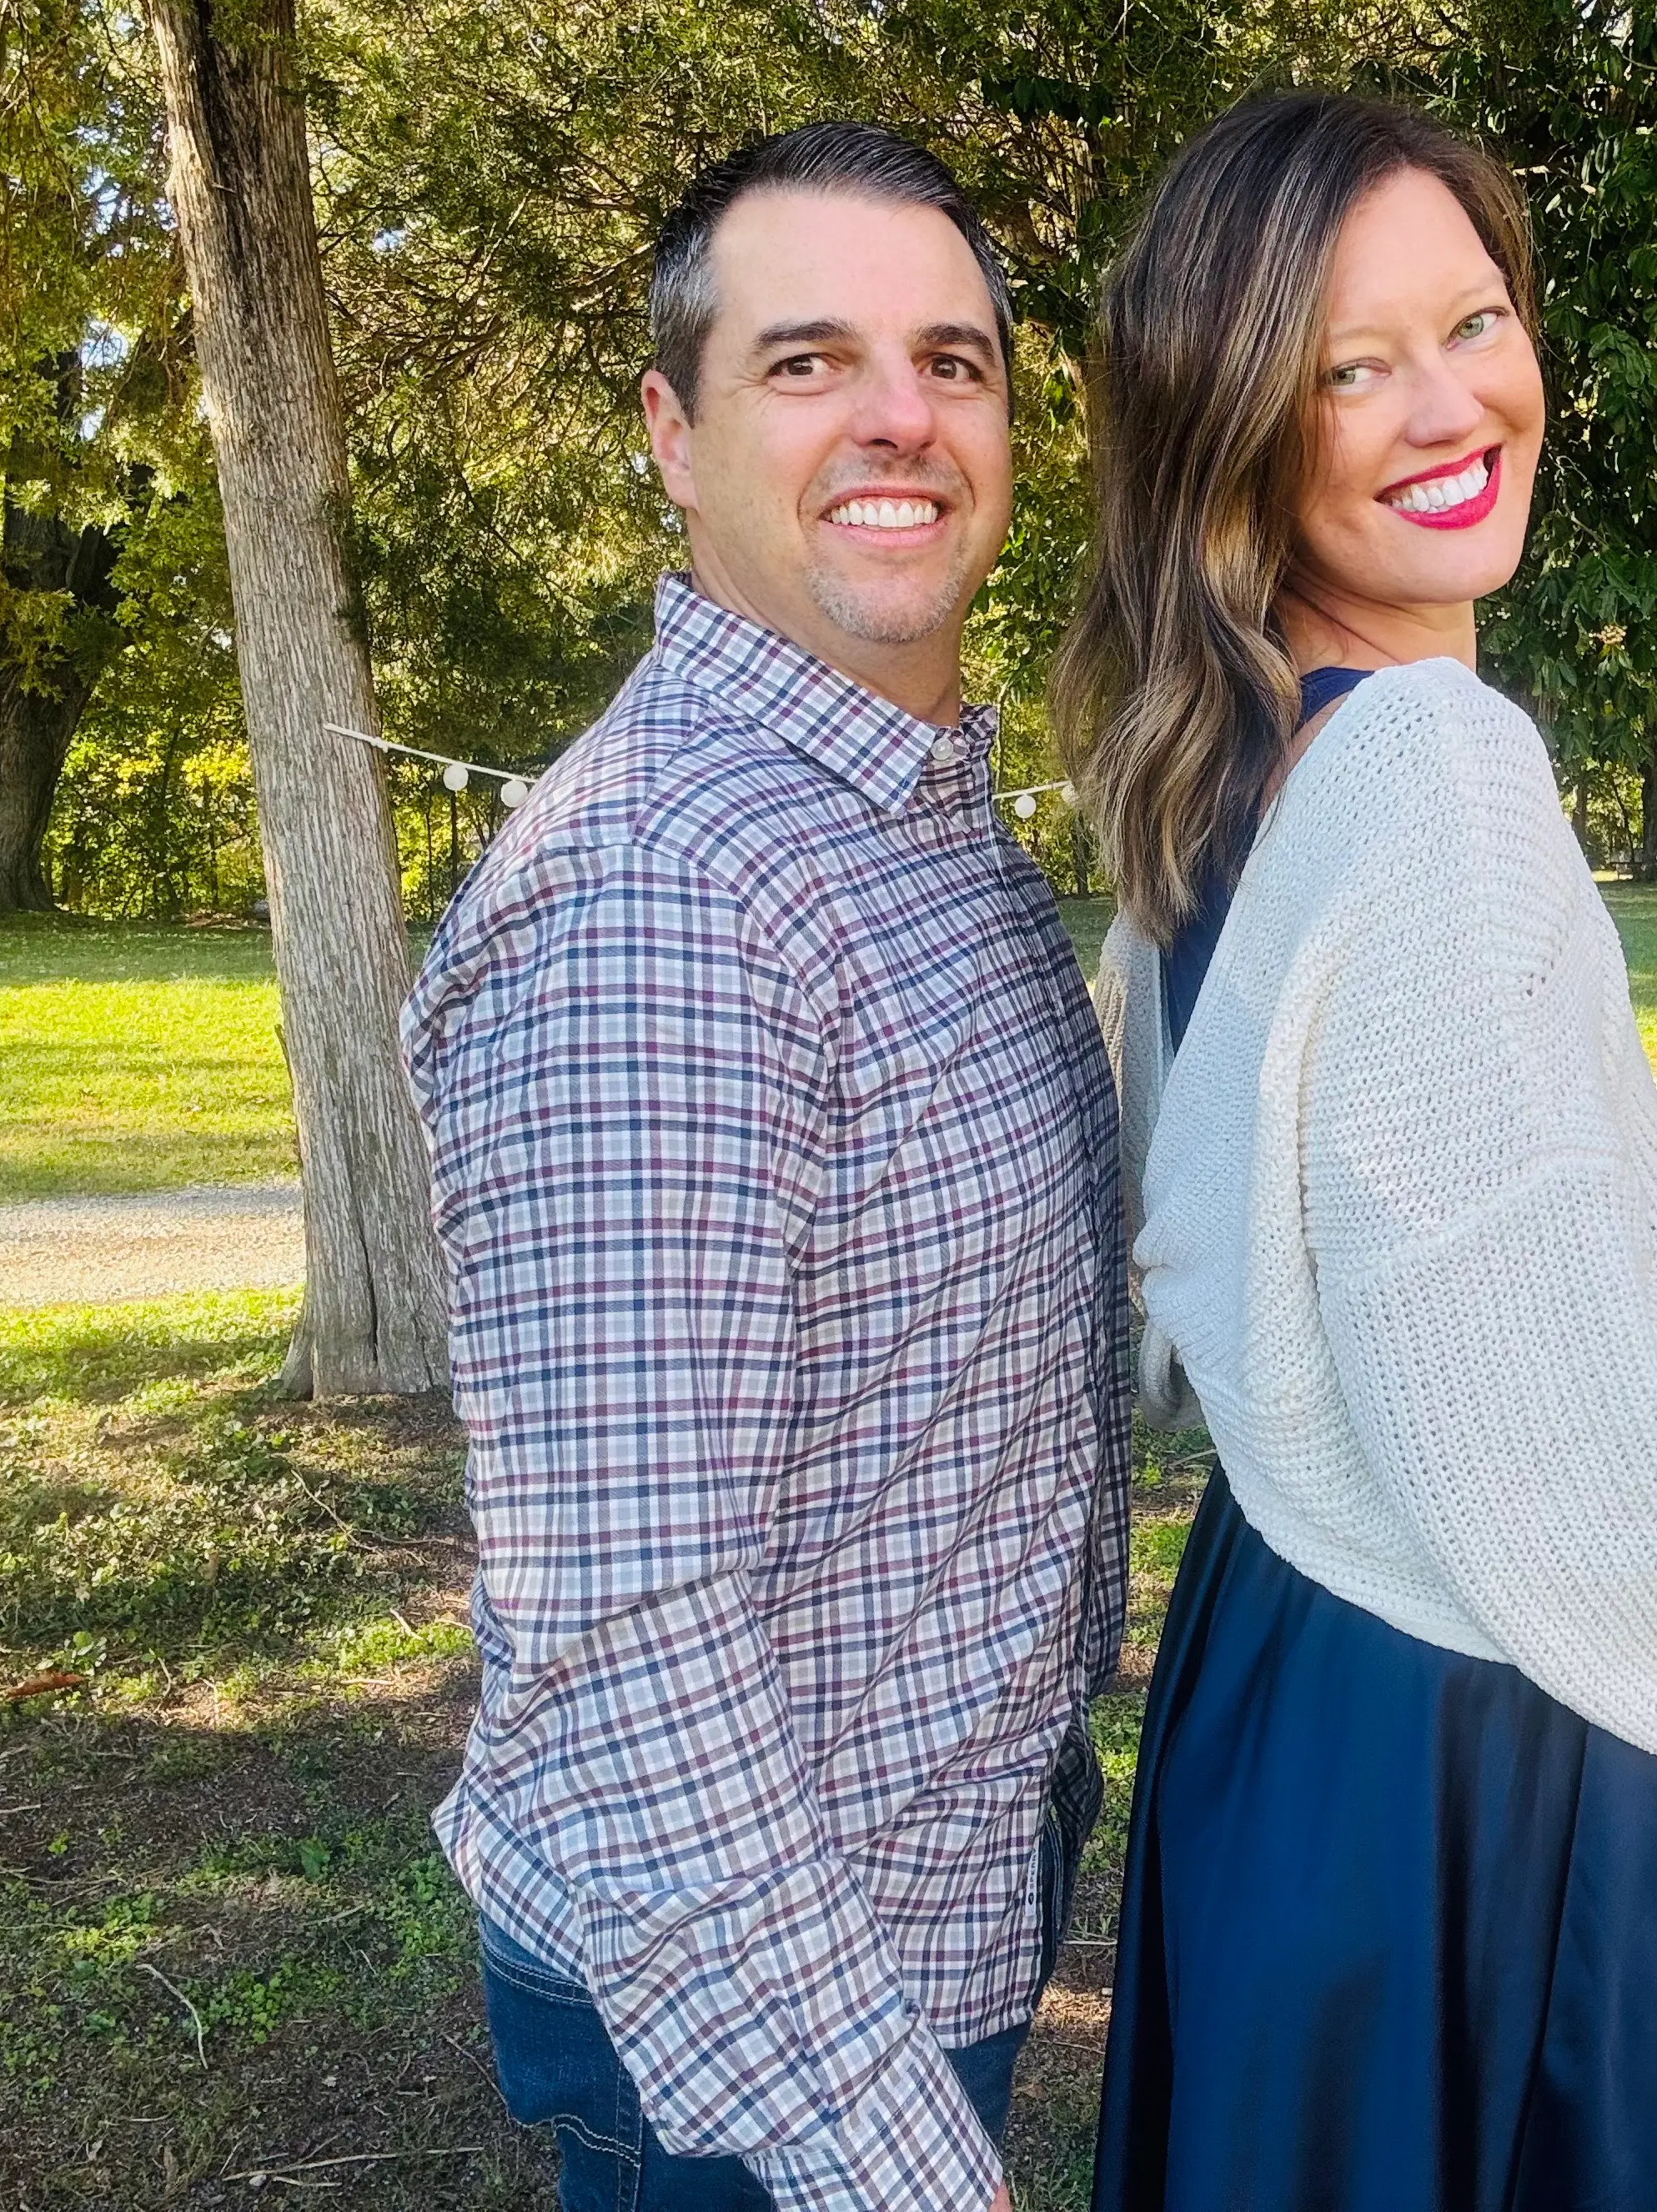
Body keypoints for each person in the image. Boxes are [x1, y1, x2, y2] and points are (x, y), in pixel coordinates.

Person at [1057, 92, 1657, 2212]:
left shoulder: (1225, 785)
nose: (1451, 403)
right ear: (1236, 431)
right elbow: (1534, 1416)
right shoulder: (1436, 768)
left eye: (1473, 321)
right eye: (1349, 366)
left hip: (1276, 1678)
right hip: (1461, 1730)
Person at [404, 123, 1125, 2212]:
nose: (899, 415)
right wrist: (877, 2150)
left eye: (954, 362)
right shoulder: (663, 895)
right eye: (806, 361)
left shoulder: (907, 818)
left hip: (927, 1884)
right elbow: (624, 1628)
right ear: (673, 430)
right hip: (754, 2014)